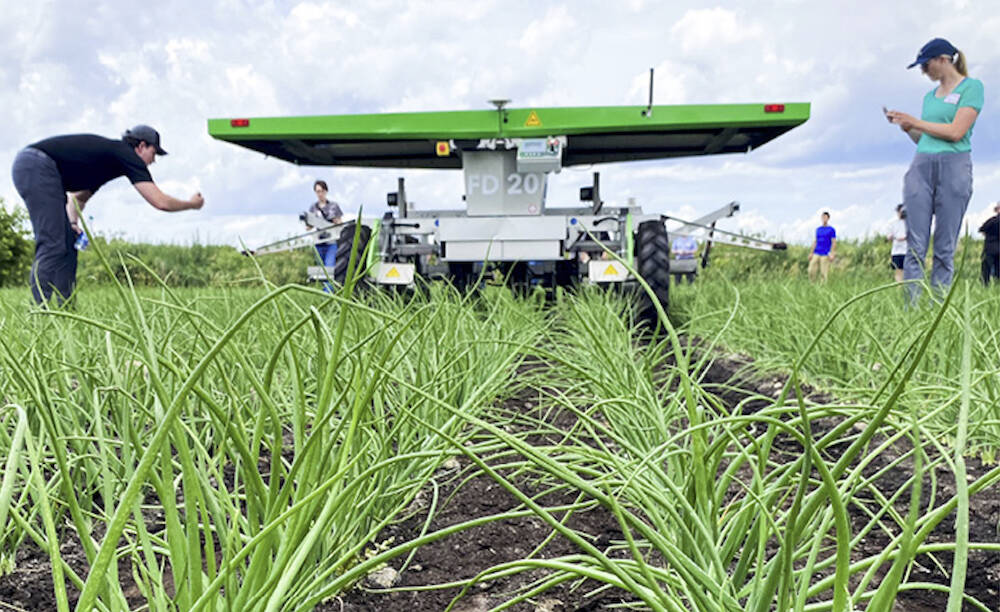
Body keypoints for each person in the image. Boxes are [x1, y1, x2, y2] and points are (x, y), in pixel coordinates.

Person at [11, 125, 204, 305]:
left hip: (38, 168)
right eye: (154, 153)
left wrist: (72, 222)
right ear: (141, 146)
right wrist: (191, 204)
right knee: (52, 243)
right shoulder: (125, 154)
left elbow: (79, 198)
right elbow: (160, 202)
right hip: (36, 165)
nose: (153, 160)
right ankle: (39, 312)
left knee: (68, 242)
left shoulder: (108, 162)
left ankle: (65, 312)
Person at [886, 38, 984, 303]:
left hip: (954, 165)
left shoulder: (971, 88)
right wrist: (909, 128)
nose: (923, 71)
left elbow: (955, 132)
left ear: (943, 59)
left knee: (944, 246)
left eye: (926, 65)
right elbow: (925, 138)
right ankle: (912, 308)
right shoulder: (929, 97)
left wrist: (915, 121)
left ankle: (937, 306)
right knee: (915, 245)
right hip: (922, 165)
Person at [303, 180, 343, 268]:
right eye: (318, 192)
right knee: (320, 269)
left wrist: (336, 222)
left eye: (322, 191)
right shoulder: (313, 207)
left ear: (325, 191)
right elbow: (309, 226)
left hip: (331, 242)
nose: (320, 194)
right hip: (319, 241)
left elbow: (340, 223)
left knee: (329, 266)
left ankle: (330, 282)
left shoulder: (333, 206)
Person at [808, 211, 836, 282]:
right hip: (816, 252)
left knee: (823, 272)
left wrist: (832, 254)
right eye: (823, 217)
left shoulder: (831, 230)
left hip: (825, 253)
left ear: (828, 218)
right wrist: (811, 253)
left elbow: (833, 242)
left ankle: (823, 287)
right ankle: (812, 284)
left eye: (825, 217)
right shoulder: (818, 229)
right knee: (811, 270)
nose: (824, 218)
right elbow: (815, 241)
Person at [978, 202, 1000, 285]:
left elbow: (981, 230)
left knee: (986, 270)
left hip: (990, 248)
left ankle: (985, 285)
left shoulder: (992, 221)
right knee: (998, 271)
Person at [886, 204, 908, 283]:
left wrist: (905, 238)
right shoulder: (892, 223)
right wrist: (893, 237)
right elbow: (888, 237)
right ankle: (899, 287)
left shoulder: (909, 222)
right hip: (896, 251)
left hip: (907, 250)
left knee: (908, 270)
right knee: (898, 270)